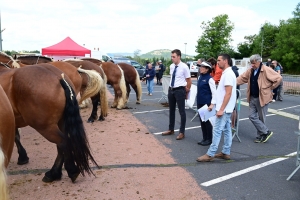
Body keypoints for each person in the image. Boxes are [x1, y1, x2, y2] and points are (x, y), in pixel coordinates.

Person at [197, 53, 236, 162]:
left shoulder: (228, 74)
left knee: (217, 130)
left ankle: (210, 154)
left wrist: (221, 109)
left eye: (219, 60)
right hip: (225, 108)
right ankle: (226, 152)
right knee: (227, 130)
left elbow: (228, 93)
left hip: (224, 109)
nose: (217, 62)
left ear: (226, 61)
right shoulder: (227, 73)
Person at [236, 54, 282, 143]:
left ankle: (261, 136)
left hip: (263, 97)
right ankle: (266, 132)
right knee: (251, 116)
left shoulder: (266, 69)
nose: (252, 65)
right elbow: (241, 78)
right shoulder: (250, 71)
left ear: (259, 61)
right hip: (253, 97)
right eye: (251, 63)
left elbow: (278, 78)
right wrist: (230, 82)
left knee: (261, 118)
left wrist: (270, 88)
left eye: (253, 63)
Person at [162, 49, 192, 140]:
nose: (172, 58)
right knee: (171, 110)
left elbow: (189, 80)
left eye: (174, 57)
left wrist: (187, 90)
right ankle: (171, 129)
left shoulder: (184, 67)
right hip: (171, 90)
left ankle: (182, 132)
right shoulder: (171, 66)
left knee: (182, 112)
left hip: (180, 90)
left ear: (179, 57)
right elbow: (172, 77)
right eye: (171, 56)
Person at [196, 61, 216, 146]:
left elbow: (214, 93)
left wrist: (212, 104)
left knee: (207, 122)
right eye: (200, 67)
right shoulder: (200, 77)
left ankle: (209, 139)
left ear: (207, 69)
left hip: (207, 103)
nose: (200, 68)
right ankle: (204, 138)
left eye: (202, 67)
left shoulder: (210, 79)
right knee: (202, 121)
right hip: (200, 102)